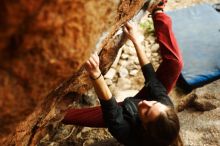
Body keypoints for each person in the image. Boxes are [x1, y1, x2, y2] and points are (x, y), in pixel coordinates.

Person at [63, 0, 183, 145]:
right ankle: (158, 10)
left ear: (144, 127)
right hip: (134, 107)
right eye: (153, 103)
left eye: (146, 112)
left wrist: (95, 73)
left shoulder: (128, 134)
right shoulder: (163, 108)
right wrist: (135, 40)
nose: (146, 103)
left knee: (66, 116)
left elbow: (111, 109)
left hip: (121, 113)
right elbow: (152, 79)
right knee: (175, 64)